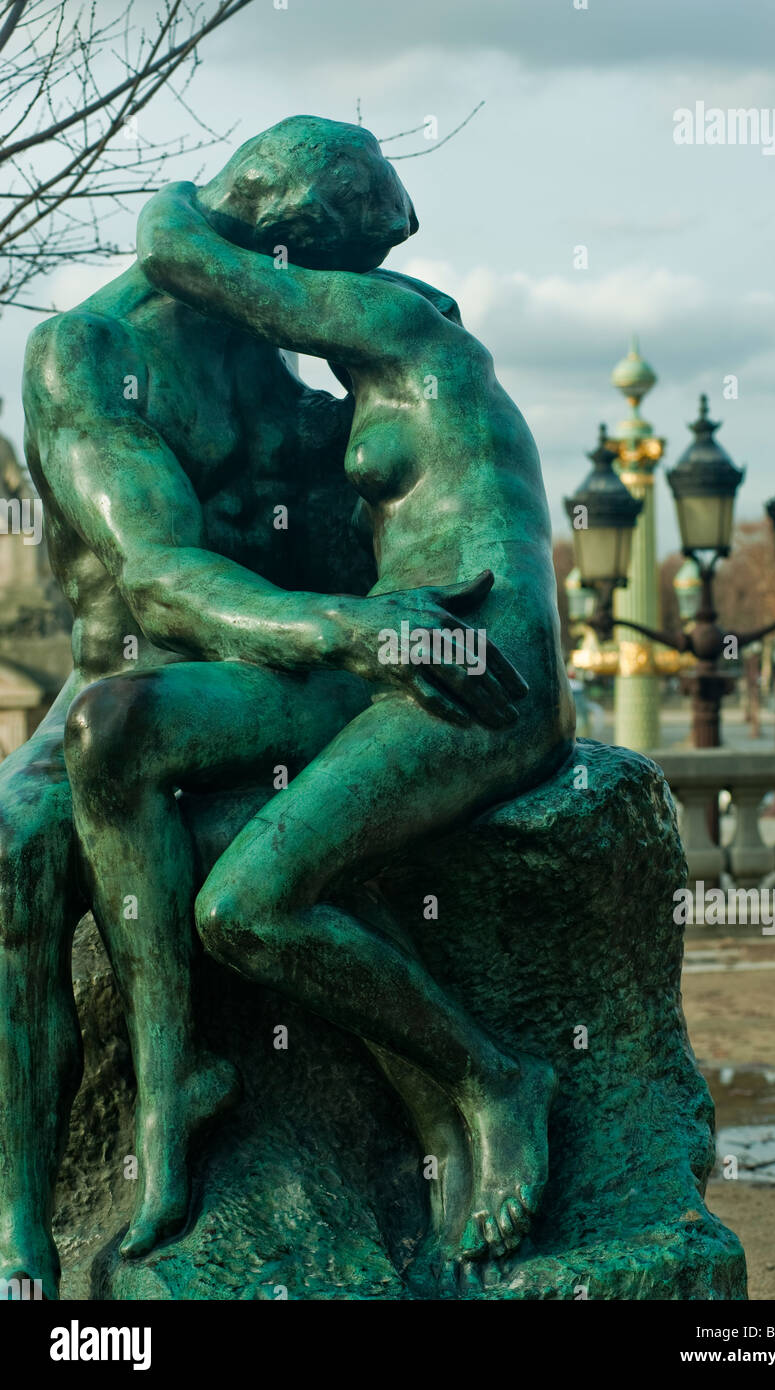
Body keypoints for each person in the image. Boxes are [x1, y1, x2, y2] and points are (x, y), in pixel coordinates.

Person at [1, 115, 517, 1295]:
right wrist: (349, 629)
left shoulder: (274, 355)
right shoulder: (82, 353)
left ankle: (217, 1090)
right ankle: (23, 1220)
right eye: (353, 270)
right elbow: (156, 576)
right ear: (289, 241)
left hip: (278, 679)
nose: (357, 298)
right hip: (133, 666)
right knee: (19, 842)